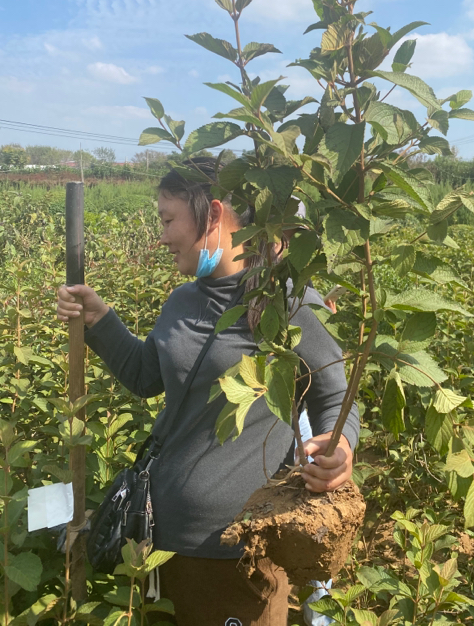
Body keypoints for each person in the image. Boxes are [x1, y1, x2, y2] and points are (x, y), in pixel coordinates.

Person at [57, 157, 359, 626]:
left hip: (239, 553)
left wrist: (340, 447)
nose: (161, 236)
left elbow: (335, 392)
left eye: (168, 220)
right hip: (157, 545)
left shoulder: (285, 301)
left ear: (213, 214)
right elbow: (145, 376)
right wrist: (99, 318)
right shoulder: (183, 300)